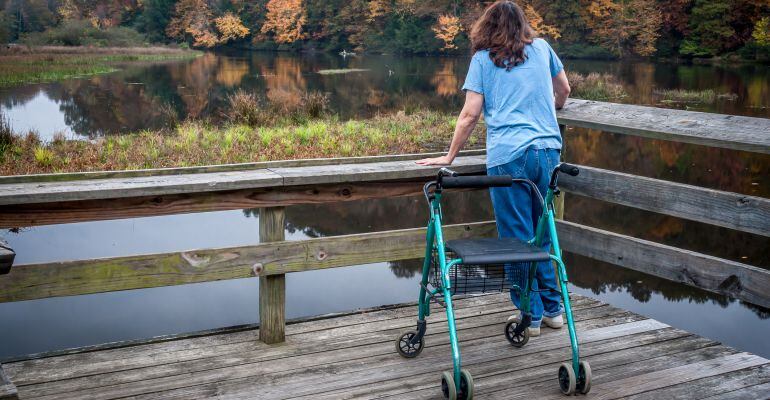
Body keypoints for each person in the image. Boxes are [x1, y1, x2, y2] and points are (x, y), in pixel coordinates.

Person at [416, 0, 571, 337]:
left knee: (516, 236)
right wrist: (552, 110)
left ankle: (530, 315)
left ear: (486, 27)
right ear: (523, 25)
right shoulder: (543, 48)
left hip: (509, 156)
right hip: (547, 150)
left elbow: (471, 113)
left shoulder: (483, 60)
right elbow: (564, 90)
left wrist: (449, 157)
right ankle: (555, 309)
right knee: (541, 231)